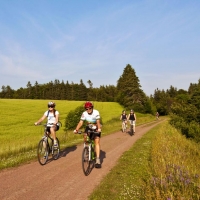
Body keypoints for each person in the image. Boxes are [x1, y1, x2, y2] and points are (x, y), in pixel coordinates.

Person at [73, 101, 102, 168]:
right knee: (85, 137)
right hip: (89, 127)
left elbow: (98, 121)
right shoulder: (84, 113)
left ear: (92, 107)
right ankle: (88, 149)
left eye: (90, 108)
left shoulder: (96, 112)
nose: (88, 110)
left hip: (96, 127)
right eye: (87, 108)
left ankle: (97, 159)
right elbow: (81, 122)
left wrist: (99, 129)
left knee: (97, 142)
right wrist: (76, 129)